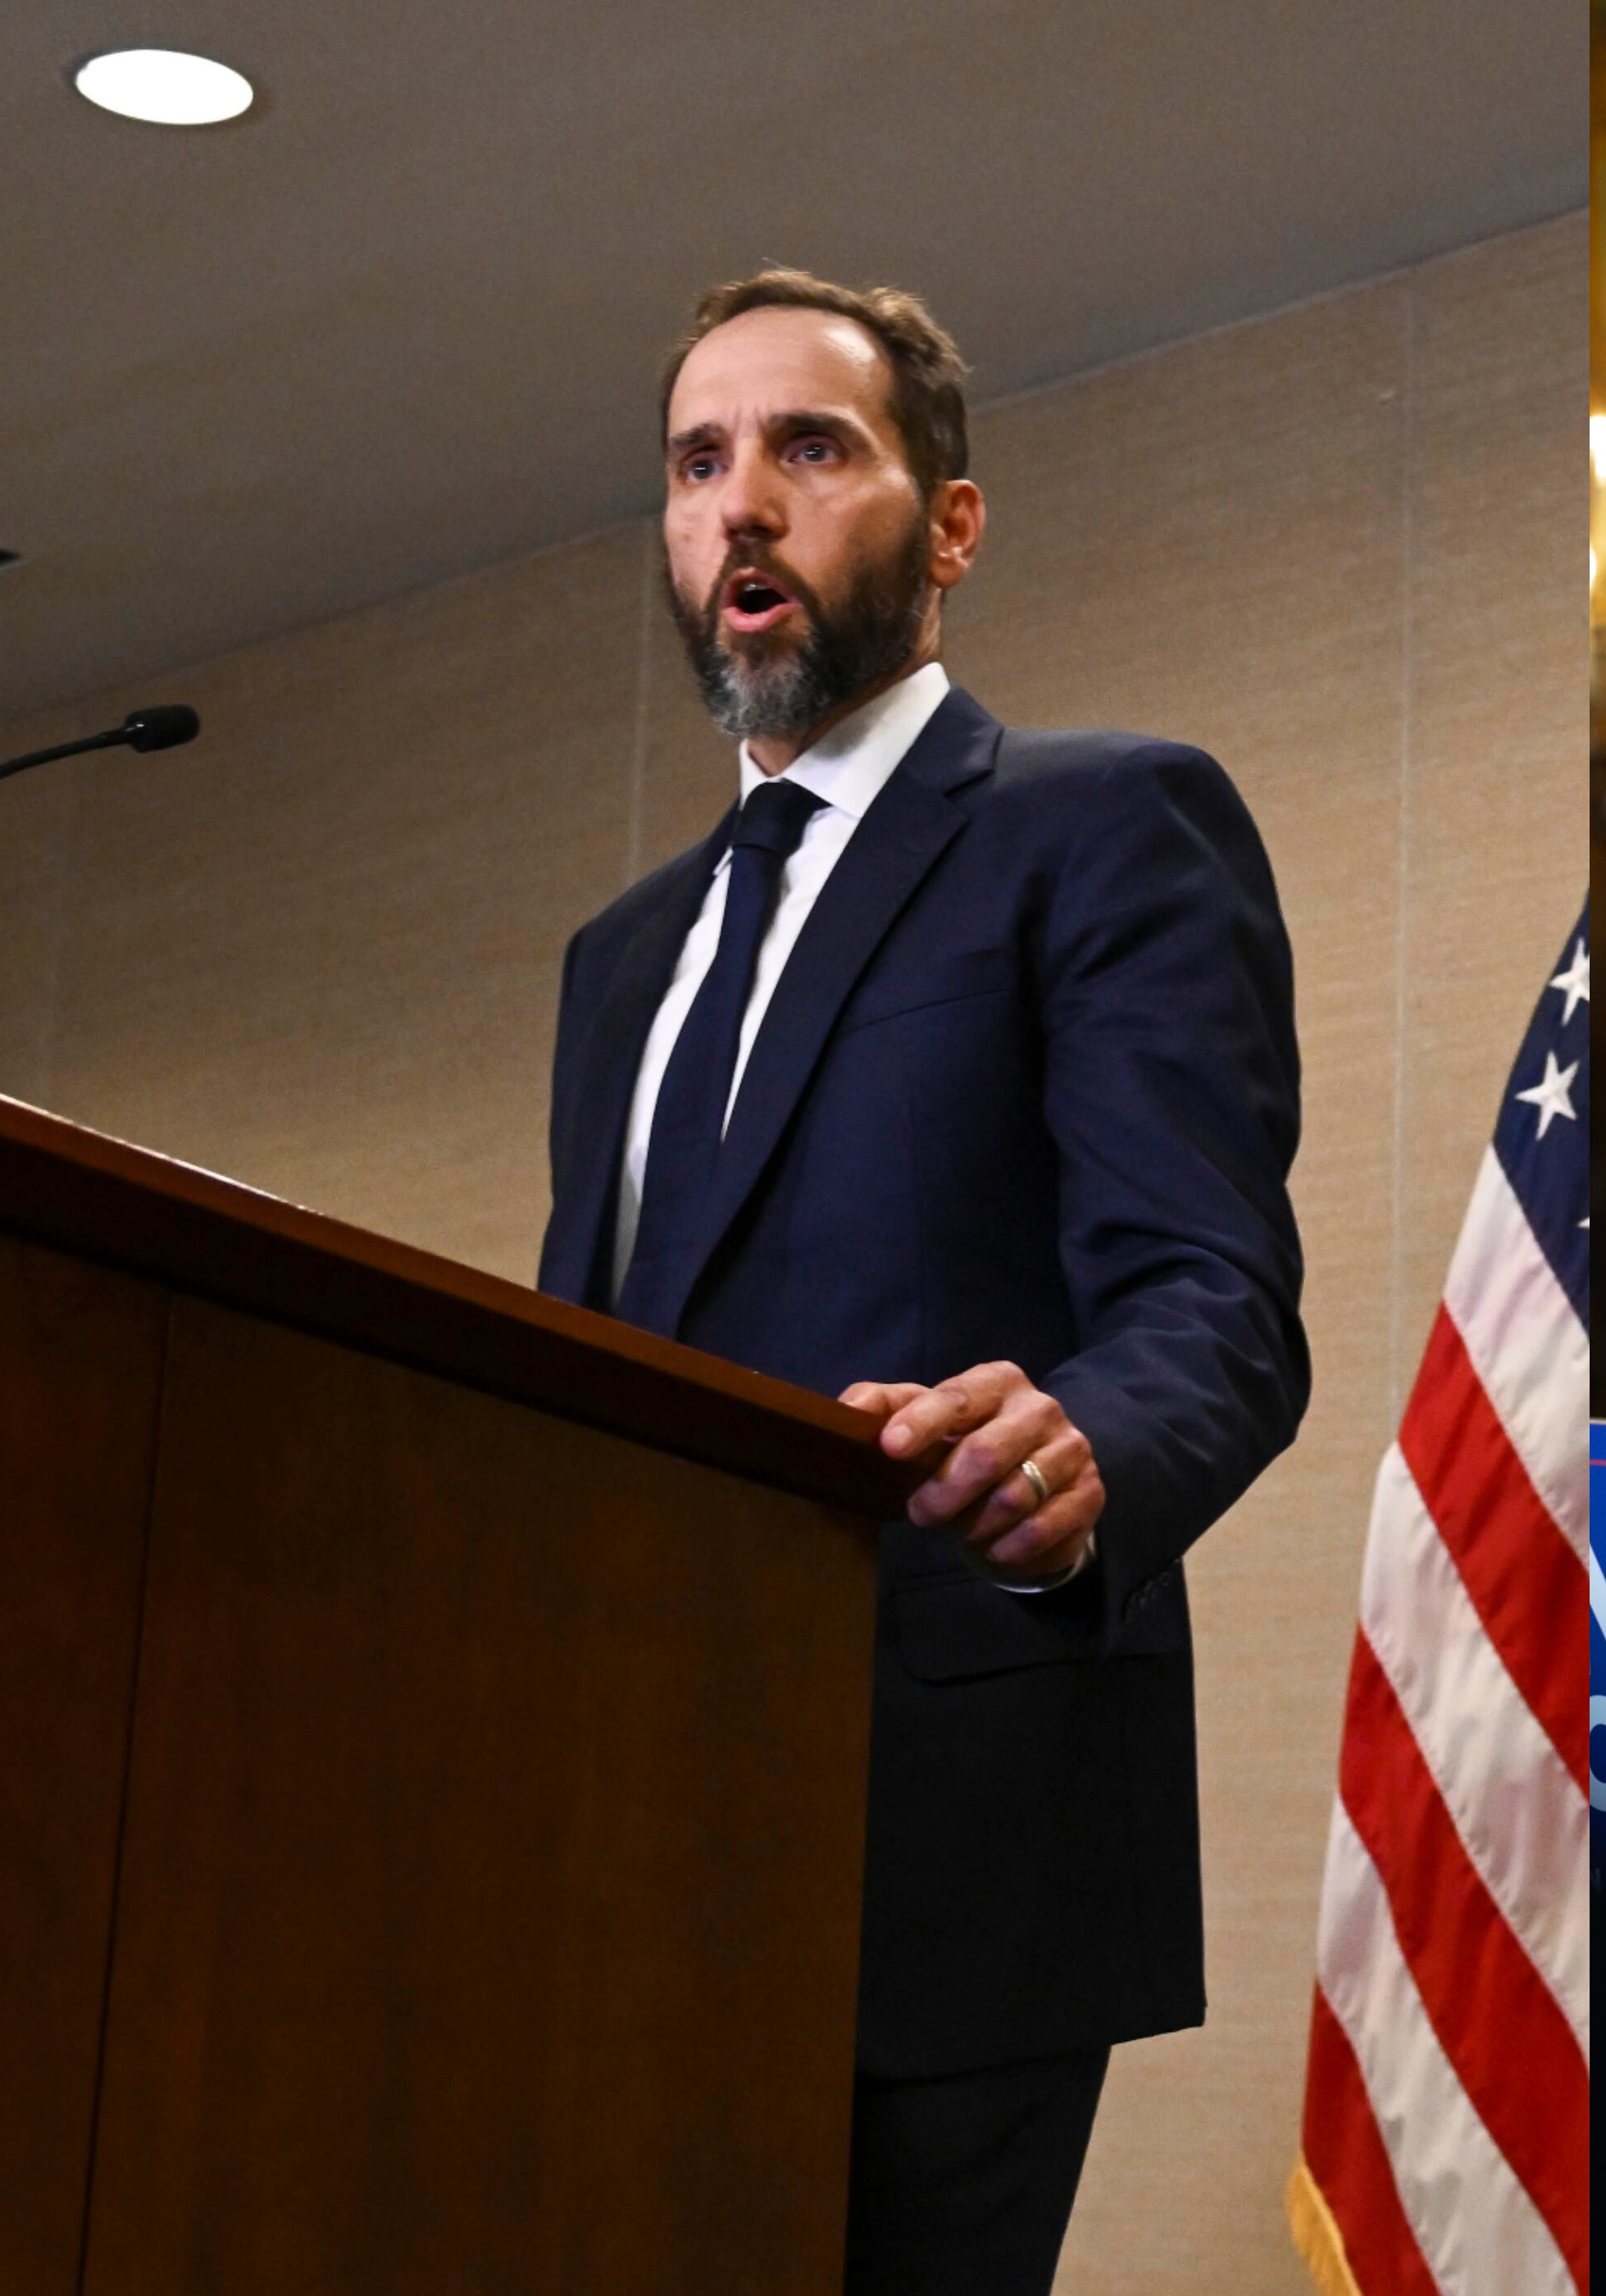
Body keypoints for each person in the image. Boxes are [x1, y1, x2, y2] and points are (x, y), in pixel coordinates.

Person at [536, 269, 1308, 2293]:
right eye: (700, 463)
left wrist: (1079, 1464)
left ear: (947, 525)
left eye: (812, 447)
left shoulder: (1098, 824)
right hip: (618, 1817)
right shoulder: (619, 958)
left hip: (943, 1818)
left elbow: (1211, 1297)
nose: (742, 509)